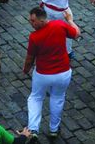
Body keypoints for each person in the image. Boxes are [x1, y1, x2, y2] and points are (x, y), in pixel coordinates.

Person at [23, 7, 81, 140]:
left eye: (33, 21)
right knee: (57, 98)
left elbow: (30, 58)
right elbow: (77, 34)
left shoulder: (34, 37)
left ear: (42, 20)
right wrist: (70, 20)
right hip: (63, 73)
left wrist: (26, 70)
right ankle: (54, 129)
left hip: (43, 74)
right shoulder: (59, 25)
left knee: (35, 98)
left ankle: (33, 129)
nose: (30, 23)